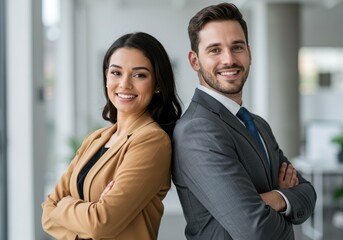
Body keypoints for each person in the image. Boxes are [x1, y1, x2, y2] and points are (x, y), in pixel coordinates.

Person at [172, 3, 316, 240]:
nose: (228, 59)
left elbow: (308, 192)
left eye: (236, 47)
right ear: (194, 61)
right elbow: (255, 230)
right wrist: (285, 197)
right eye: (215, 50)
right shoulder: (196, 130)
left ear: (249, 54)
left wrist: (275, 198)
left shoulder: (258, 124)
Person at [41, 32, 182, 240]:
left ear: (158, 84)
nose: (125, 84)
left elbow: (101, 223)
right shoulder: (96, 139)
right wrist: (86, 216)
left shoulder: (152, 141)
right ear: (106, 77)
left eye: (139, 75)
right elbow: (46, 214)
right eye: (116, 73)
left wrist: (64, 205)